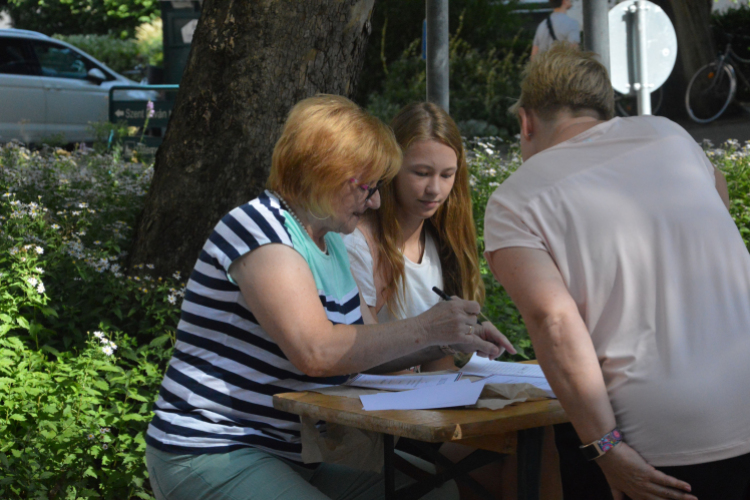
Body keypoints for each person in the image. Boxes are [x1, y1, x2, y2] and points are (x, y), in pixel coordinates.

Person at [144, 95, 508, 500]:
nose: (375, 202)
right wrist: (426, 326)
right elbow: (315, 352)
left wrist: (445, 338)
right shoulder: (259, 229)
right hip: (214, 448)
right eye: (367, 187)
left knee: (438, 493)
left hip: (293, 454)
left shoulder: (331, 242)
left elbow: (369, 350)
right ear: (327, 173)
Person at [484, 44, 750, 500]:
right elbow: (715, 221)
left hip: (658, 443)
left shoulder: (515, 200)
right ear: (607, 112)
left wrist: (604, 448)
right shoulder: (672, 137)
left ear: (526, 122)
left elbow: (554, 321)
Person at [344, 102, 515, 373]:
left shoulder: (440, 242)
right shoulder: (358, 243)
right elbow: (363, 357)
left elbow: (439, 369)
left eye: (447, 175)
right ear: (390, 169)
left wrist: (460, 340)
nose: (435, 189)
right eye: (421, 173)